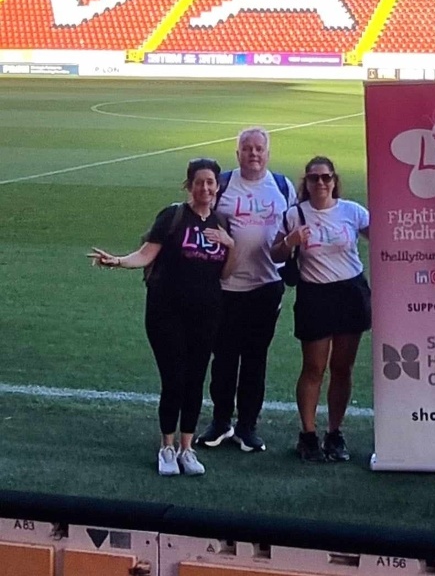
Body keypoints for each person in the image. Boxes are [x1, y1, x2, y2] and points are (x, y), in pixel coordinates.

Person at [90, 158, 236, 477]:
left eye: (211, 182)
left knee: (196, 379)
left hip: (207, 313)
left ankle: (187, 448)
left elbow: (226, 272)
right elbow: (146, 253)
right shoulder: (173, 216)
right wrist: (118, 261)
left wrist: (230, 245)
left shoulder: (222, 222)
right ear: (189, 185)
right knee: (174, 379)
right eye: (199, 182)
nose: (206, 188)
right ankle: (166, 447)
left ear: (217, 186)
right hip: (166, 312)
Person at [197, 127, 296, 453]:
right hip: (225, 287)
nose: (253, 154)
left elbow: (295, 229)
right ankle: (220, 422)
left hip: (267, 287)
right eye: (247, 148)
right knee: (223, 358)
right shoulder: (222, 184)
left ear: (268, 153)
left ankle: (247, 426)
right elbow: (198, 221)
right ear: (237, 153)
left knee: (255, 360)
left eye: (259, 149)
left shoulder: (282, 187)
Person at [270, 156, 371, 463]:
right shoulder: (295, 214)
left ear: (334, 180)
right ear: (307, 182)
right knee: (314, 368)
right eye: (314, 178)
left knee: (343, 368)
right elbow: (274, 252)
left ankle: (335, 432)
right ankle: (308, 434)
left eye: (326, 177)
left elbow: (382, 239)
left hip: (350, 291)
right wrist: (290, 240)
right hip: (315, 294)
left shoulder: (352, 211)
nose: (321, 183)